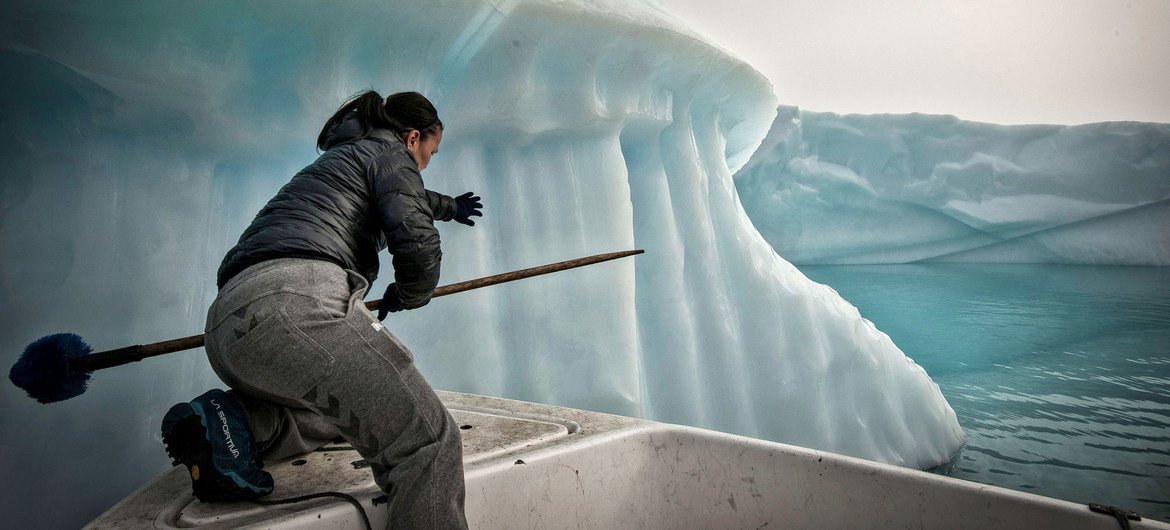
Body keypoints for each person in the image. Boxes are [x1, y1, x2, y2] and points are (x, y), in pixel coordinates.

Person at [160, 90, 481, 529]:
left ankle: (239, 425)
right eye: (429, 153)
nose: (425, 164)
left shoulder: (343, 162)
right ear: (411, 139)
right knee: (426, 442)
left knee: (342, 412)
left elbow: (414, 197)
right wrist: (406, 295)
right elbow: (416, 241)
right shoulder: (391, 155)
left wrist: (453, 207)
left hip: (231, 324)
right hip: (296, 301)